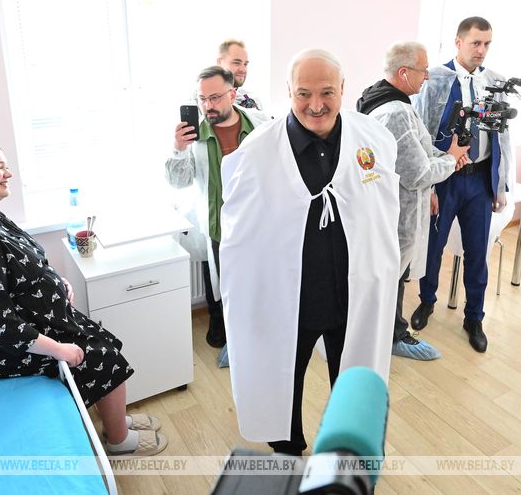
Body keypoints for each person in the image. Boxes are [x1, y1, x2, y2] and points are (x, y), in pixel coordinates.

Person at [0, 140, 166, 456]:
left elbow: (28, 261)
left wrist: (57, 281)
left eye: (6, 166)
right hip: (1, 345)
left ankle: (116, 421)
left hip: (32, 318)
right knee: (103, 357)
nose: (8, 173)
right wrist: (57, 349)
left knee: (104, 341)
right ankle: (118, 441)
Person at [219, 49, 401, 455]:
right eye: (303, 94)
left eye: (326, 93)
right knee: (281, 379)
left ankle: (347, 456)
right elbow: (239, 240)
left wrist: (387, 273)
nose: (315, 105)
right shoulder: (256, 154)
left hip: (353, 295)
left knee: (354, 383)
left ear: (343, 89)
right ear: (288, 91)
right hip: (290, 301)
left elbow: (384, 214)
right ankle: (287, 454)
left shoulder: (373, 140)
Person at [357, 41, 468, 361]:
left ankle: (390, 333)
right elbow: (418, 173)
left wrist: (445, 158)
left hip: (385, 208)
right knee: (392, 277)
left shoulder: (377, 99)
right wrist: (451, 159)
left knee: (391, 278)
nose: (427, 77)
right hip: (396, 212)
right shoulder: (396, 112)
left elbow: (418, 148)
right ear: (404, 72)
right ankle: (392, 338)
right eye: (423, 70)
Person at [410, 16, 513, 353]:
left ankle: (474, 317)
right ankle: (426, 301)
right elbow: (423, 133)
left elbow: (503, 137)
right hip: (445, 179)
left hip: (479, 180)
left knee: (477, 253)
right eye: (475, 43)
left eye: (487, 44)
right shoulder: (435, 80)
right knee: (433, 247)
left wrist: (500, 184)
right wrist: (428, 187)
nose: (482, 50)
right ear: (458, 42)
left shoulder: (495, 83)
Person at [166, 66, 270, 365]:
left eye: (215, 98)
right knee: (226, 287)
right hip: (218, 226)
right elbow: (179, 182)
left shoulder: (262, 125)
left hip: (258, 224)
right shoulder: (195, 135)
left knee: (260, 285)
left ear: (232, 95)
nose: (207, 105)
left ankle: (261, 339)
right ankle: (232, 343)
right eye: (202, 99)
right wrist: (178, 149)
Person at [216, 39, 264, 111]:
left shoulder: (254, 100)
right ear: (220, 62)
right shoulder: (203, 99)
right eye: (236, 63)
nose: (243, 69)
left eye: (245, 64)